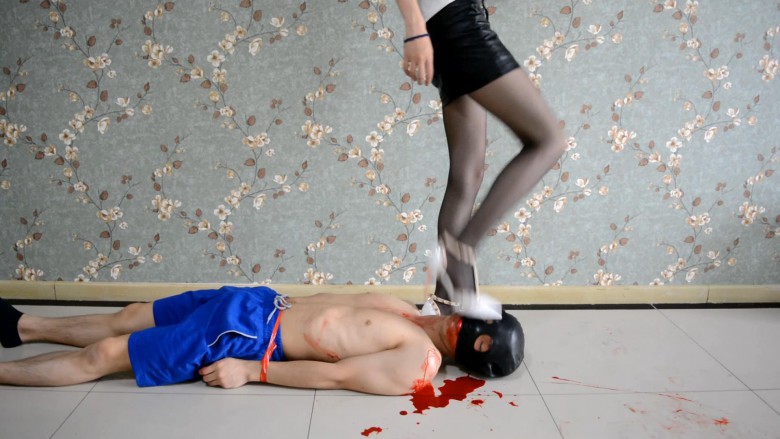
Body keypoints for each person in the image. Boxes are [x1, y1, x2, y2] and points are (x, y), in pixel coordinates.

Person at [0, 286, 524, 395]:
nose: (469, 322)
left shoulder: (418, 362)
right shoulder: (411, 311)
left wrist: (253, 370)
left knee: (107, 355)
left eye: (480, 337)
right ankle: (22, 326)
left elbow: (336, 376)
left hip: (249, 334)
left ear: (476, 352)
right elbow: (333, 303)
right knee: (133, 315)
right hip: (258, 302)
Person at [394, 0, 567, 314]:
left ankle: (443, 306)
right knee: (548, 140)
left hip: (450, 24)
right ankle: (460, 254)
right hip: (456, 22)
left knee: (467, 173)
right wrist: (415, 29)